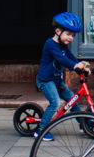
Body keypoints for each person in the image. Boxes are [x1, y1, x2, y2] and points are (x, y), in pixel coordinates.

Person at [35, 11, 90, 142]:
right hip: (45, 80)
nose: (71, 38)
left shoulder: (63, 45)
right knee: (55, 102)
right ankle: (41, 130)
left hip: (56, 80)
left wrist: (79, 64)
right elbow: (61, 59)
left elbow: (70, 57)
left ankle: (83, 124)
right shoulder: (50, 44)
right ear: (58, 31)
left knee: (73, 100)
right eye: (68, 34)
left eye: (73, 35)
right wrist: (74, 66)